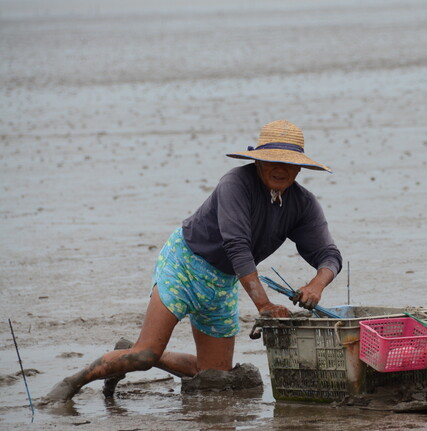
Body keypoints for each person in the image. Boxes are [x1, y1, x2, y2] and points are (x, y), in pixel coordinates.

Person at [42, 120, 342, 403]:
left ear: (299, 168)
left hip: (223, 280)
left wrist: (317, 284)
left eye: (288, 163)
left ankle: (126, 351)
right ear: (258, 161)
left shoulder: (303, 204)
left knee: (214, 375)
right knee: (145, 355)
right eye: (272, 161)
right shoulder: (236, 183)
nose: (280, 169)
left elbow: (329, 255)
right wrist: (264, 306)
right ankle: (74, 381)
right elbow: (237, 246)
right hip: (185, 264)